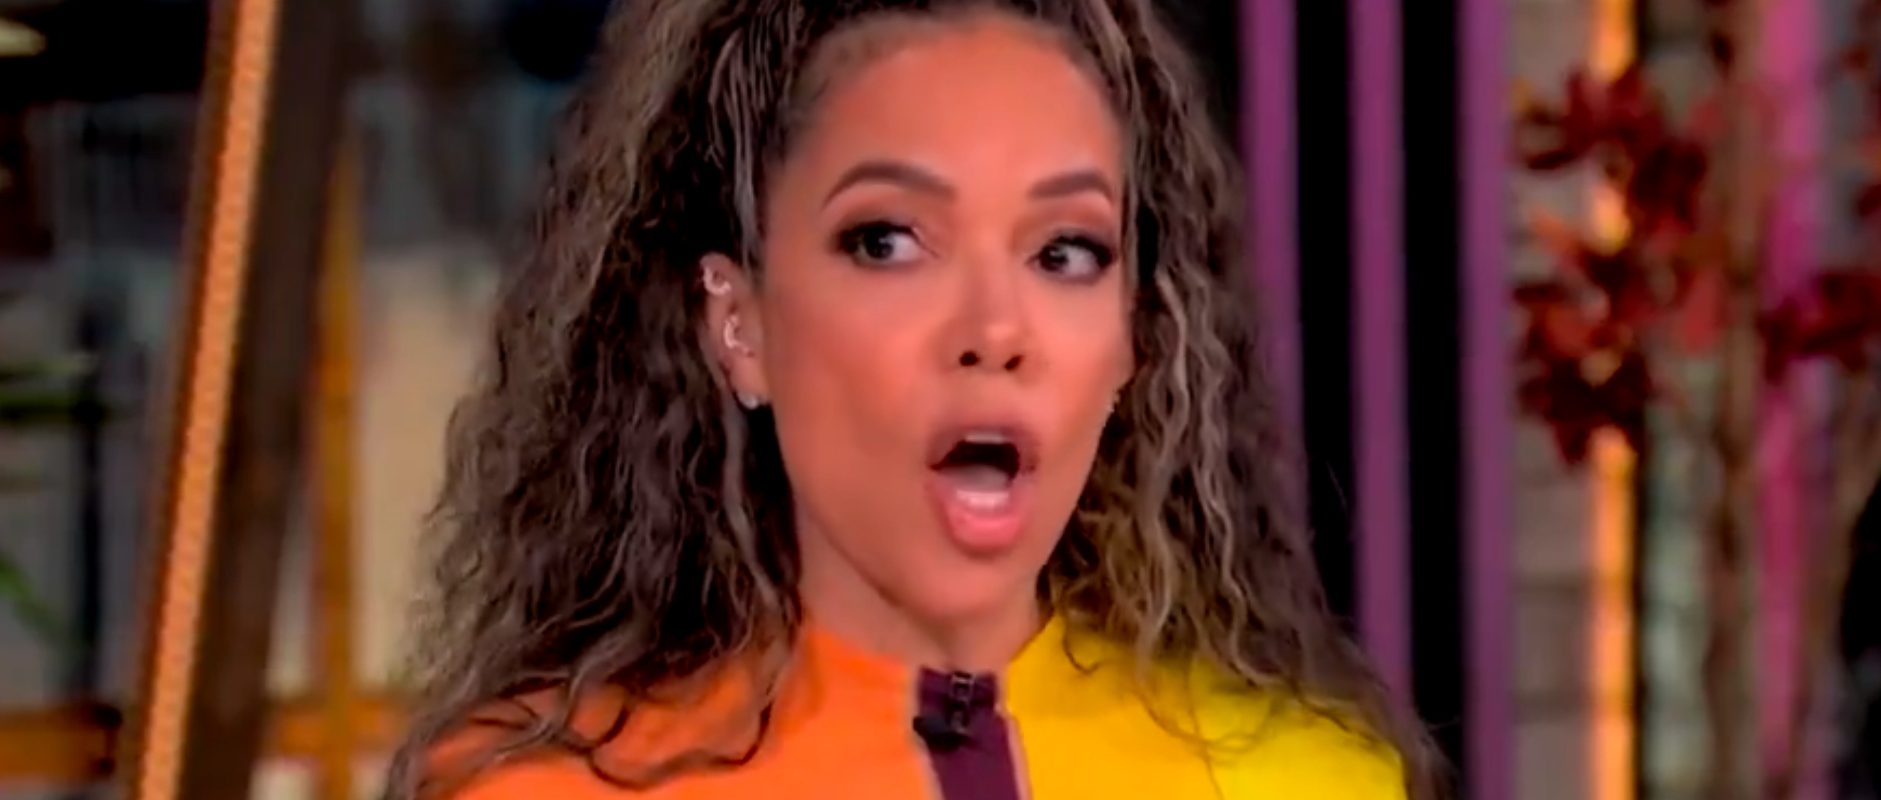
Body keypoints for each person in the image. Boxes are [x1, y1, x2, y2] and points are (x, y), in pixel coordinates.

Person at [388, 1, 1437, 798]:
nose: (994, 329)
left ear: (1133, 345)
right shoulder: (540, 789)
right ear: (739, 325)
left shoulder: (1310, 778)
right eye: (886, 241)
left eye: (1065, 252)